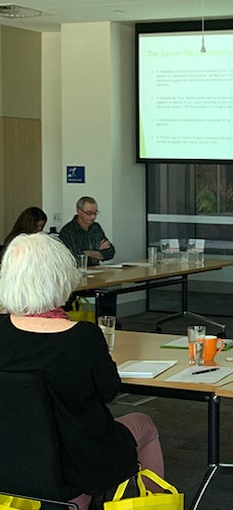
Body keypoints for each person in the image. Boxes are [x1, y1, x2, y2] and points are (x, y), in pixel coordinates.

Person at [0, 233, 164, 508]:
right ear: (61, 278)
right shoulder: (82, 337)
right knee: (144, 424)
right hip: (77, 466)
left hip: (10, 459)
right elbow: (108, 391)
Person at [59, 196, 115, 267]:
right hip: (76, 273)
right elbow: (76, 259)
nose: (93, 217)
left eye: (95, 213)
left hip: (97, 271)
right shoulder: (68, 231)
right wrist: (98, 254)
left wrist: (87, 253)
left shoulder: (96, 227)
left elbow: (110, 252)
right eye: (89, 213)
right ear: (79, 211)